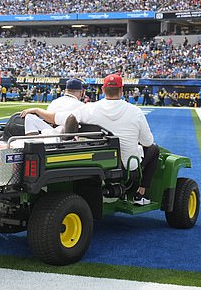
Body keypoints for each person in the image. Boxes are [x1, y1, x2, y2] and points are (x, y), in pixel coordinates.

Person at [21, 74, 158, 206]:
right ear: (121, 90)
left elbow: (56, 118)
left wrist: (37, 110)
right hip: (126, 167)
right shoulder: (135, 112)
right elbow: (147, 142)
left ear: (103, 90)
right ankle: (140, 193)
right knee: (154, 149)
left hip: (101, 161)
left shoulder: (89, 109)